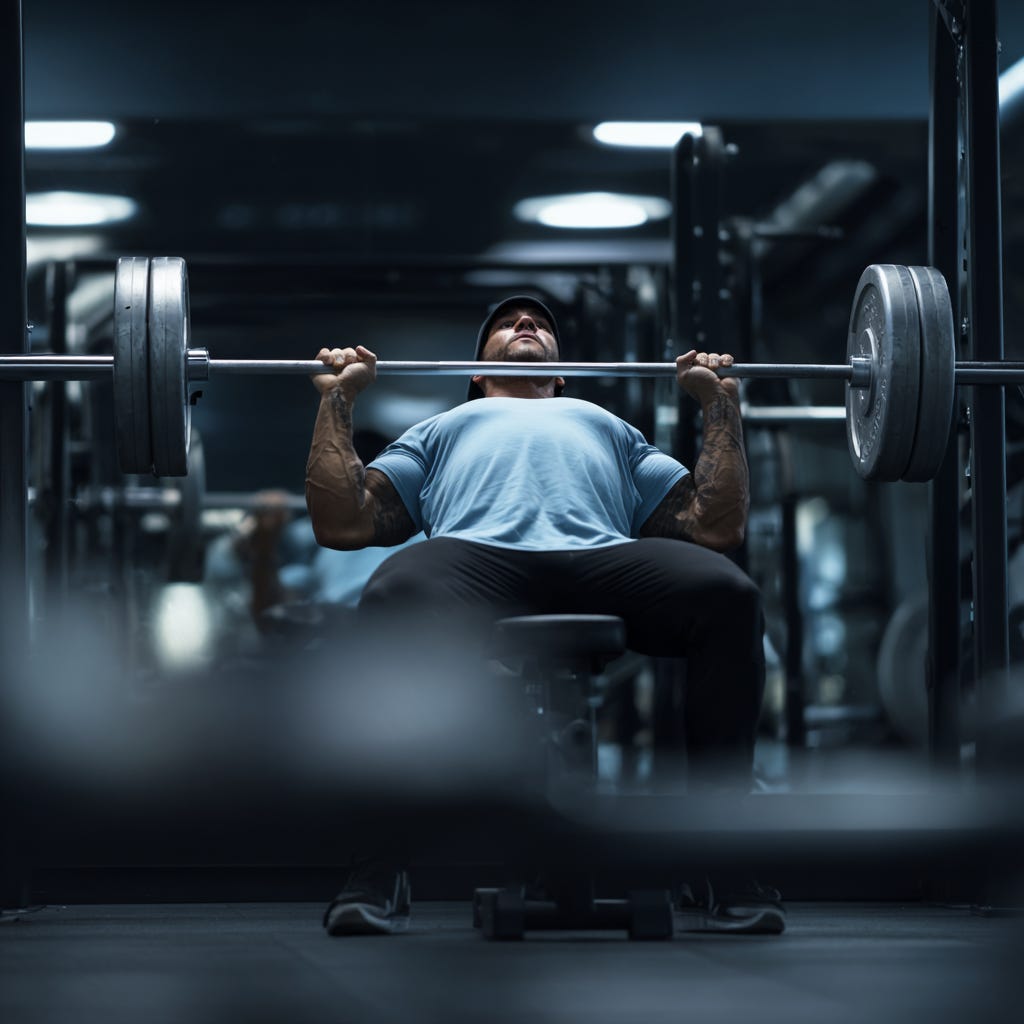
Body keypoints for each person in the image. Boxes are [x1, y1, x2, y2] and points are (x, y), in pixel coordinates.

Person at [305, 295, 783, 937]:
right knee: (393, 596)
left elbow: (715, 525)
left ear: (564, 372)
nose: (526, 325)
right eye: (508, 324)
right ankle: (379, 867)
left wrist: (720, 403)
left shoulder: (603, 423)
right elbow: (343, 521)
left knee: (729, 594)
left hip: (603, 560)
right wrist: (337, 398)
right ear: (477, 371)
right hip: (477, 558)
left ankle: (721, 859)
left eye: (541, 325)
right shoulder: (443, 428)